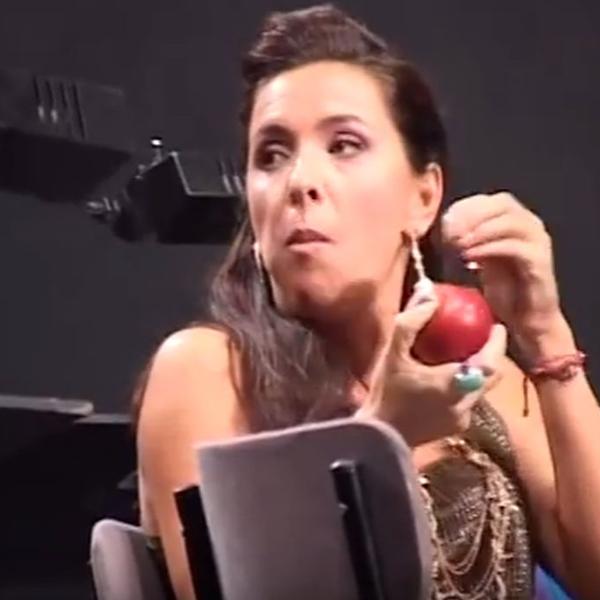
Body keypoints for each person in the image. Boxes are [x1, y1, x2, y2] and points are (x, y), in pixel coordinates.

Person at [135, 4, 600, 599]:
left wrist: (545, 334)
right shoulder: (206, 372)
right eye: (271, 154)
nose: (300, 181)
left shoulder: (482, 379)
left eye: (345, 145)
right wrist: (384, 434)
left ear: (424, 198)